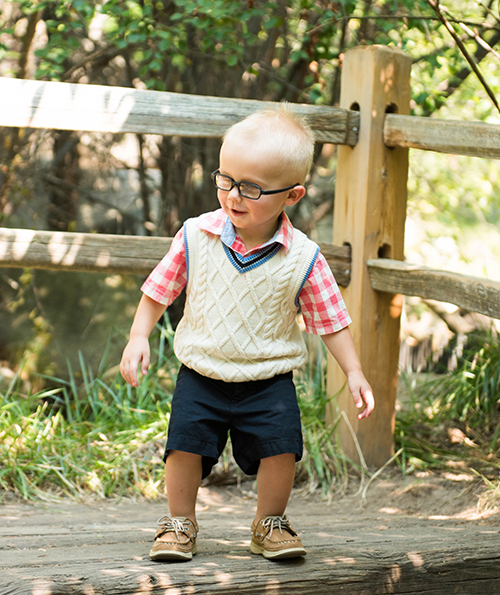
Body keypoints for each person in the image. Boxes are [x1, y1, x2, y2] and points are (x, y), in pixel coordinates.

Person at [119, 106, 374, 562]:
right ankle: (180, 523)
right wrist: (140, 335)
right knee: (184, 447)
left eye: (251, 188)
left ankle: (268, 523)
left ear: (291, 195)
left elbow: (331, 320)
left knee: (281, 450)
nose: (234, 196)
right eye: (226, 180)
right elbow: (160, 289)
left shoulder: (303, 257)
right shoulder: (197, 235)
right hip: (202, 372)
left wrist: (353, 370)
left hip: (268, 379)